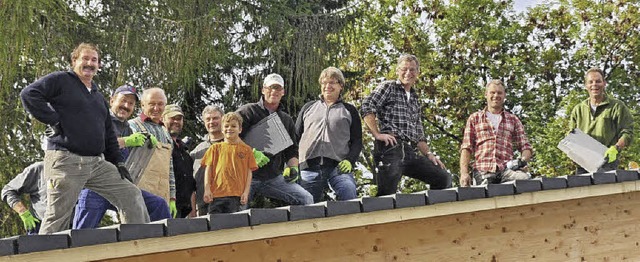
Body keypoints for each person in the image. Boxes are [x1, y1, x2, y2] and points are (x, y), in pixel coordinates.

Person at [20, 43, 149, 234]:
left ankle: (137, 244)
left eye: (94, 60)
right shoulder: (61, 80)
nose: (90, 63)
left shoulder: (98, 98)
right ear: (75, 61)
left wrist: (119, 163)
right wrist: (53, 120)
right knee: (58, 217)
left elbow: (109, 136)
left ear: (98, 65)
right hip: (66, 160)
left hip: (96, 164)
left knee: (131, 194)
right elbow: (29, 94)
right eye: (85, 59)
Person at [73, 85, 170, 228]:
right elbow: (95, 145)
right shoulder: (98, 119)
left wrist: (146, 142)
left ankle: (158, 247)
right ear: (112, 101)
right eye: (123, 101)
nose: (126, 106)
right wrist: (127, 141)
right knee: (81, 234)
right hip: (94, 186)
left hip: (119, 186)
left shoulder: (128, 129)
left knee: (158, 205)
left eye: (131, 104)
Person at [360, 54, 452, 196]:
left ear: (417, 73)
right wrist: (377, 134)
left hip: (410, 151)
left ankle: (431, 214)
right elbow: (367, 105)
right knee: (387, 195)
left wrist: (428, 154)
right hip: (390, 147)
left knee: (443, 178)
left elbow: (419, 135)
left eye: (412, 70)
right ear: (397, 70)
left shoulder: (415, 99)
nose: (408, 73)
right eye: (404, 69)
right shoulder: (388, 87)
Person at [236, 73, 313, 206]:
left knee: (306, 199)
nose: (274, 91)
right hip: (245, 176)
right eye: (271, 87)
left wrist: (293, 168)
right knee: (239, 210)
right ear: (263, 90)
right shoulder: (248, 111)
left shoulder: (286, 120)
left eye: (278, 88)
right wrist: (251, 152)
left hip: (273, 177)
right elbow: (229, 137)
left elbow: (291, 150)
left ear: (283, 92)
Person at [296, 67, 362, 202]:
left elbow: (357, 141)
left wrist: (349, 160)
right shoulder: (308, 108)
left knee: (348, 191)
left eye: (332, 82)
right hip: (308, 168)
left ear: (341, 86)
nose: (328, 86)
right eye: (324, 82)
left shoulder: (349, 110)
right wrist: (290, 165)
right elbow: (295, 137)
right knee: (305, 207)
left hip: (338, 167)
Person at [459, 80, 533, 186]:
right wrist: (464, 173)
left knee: (525, 180)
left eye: (499, 93)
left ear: (504, 96)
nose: (496, 95)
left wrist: (522, 162)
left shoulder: (513, 119)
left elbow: (525, 146)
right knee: (484, 193)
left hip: (506, 170)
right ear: (486, 94)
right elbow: (466, 147)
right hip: (483, 171)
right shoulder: (475, 118)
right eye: (492, 92)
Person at [569, 68, 634, 174]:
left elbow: (627, 132)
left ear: (604, 83)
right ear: (586, 85)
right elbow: (571, 135)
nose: (594, 84)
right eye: (591, 82)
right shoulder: (578, 109)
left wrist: (616, 147)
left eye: (598, 81)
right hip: (583, 164)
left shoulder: (617, 106)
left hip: (607, 163)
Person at [129, 87, 178, 217]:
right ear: (142, 104)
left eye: (160, 104)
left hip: (162, 193)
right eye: (152, 104)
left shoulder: (165, 132)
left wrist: (172, 198)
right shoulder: (132, 126)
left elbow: (170, 168)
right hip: (139, 193)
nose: (156, 108)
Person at [202, 112, 258, 213]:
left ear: (240, 129)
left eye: (233, 126)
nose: (229, 128)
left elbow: (249, 173)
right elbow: (208, 169)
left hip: (236, 196)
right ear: (222, 129)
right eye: (226, 126)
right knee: (215, 225)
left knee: (234, 225)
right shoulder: (214, 148)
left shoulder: (247, 150)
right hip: (216, 195)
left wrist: (246, 192)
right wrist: (207, 189)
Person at [163, 104, 196, 218]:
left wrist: (192, 213)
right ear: (163, 119)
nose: (176, 121)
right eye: (172, 118)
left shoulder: (185, 152)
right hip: (164, 206)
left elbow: (191, 185)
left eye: (179, 119)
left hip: (182, 211)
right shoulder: (160, 145)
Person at [191, 106, 225, 216]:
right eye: (208, 119)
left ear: (223, 119)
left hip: (230, 203)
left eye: (215, 118)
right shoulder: (197, 151)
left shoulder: (235, 144)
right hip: (203, 206)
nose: (212, 122)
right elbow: (192, 183)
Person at [2, 162, 46, 234]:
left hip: (68, 227)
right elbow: (8, 191)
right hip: (40, 228)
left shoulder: (70, 169)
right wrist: (23, 212)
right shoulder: (39, 169)